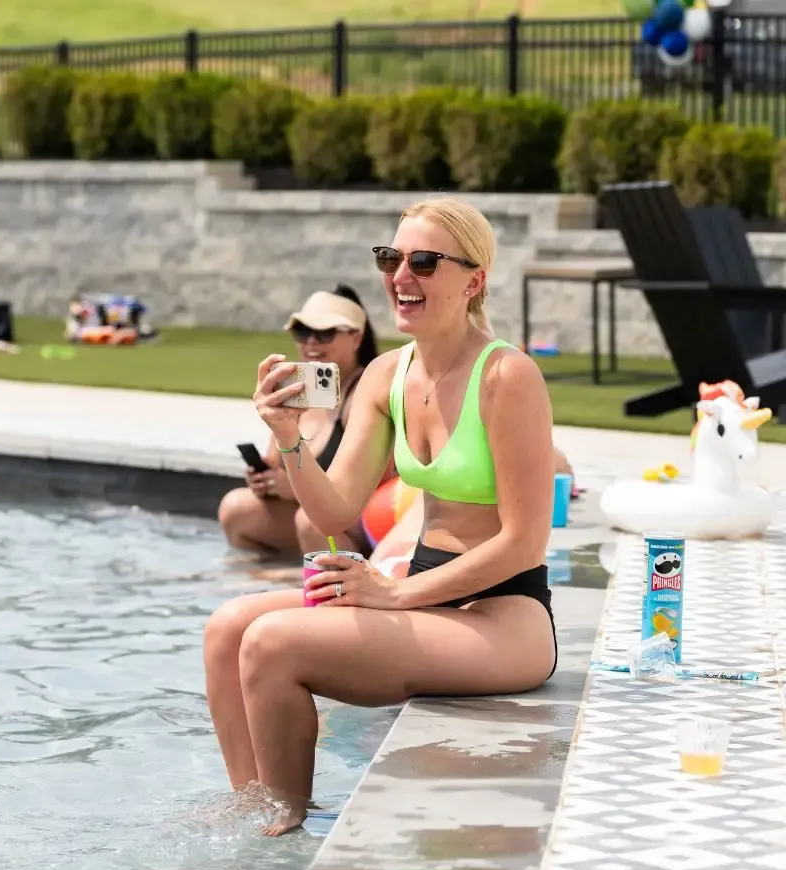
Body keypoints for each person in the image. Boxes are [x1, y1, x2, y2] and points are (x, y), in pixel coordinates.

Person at [203, 196, 557, 836]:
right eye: (392, 258)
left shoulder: (507, 375)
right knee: (228, 627)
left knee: (273, 641)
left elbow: (526, 541)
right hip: (425, 600)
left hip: (504, 617)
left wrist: (396, 593)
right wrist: (288, 436)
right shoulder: (386, 375)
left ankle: (283, 834)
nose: (402, 276)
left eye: (424, 261)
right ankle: (252, 805)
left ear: (473, 280)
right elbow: (335, 507)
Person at [217, 284, 380, 556]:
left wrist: (292, 487)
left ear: (356, 338)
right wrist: (265, 479)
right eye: (302, 332)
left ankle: (312, 581)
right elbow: (275, 462)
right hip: (313, 519)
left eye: (325, 333)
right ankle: (277, 575)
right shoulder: (298, 389)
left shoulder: (367, 390)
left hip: (361, 519)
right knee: (236, 510)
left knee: (311, 522)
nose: (311, 343)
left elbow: (368, 488)